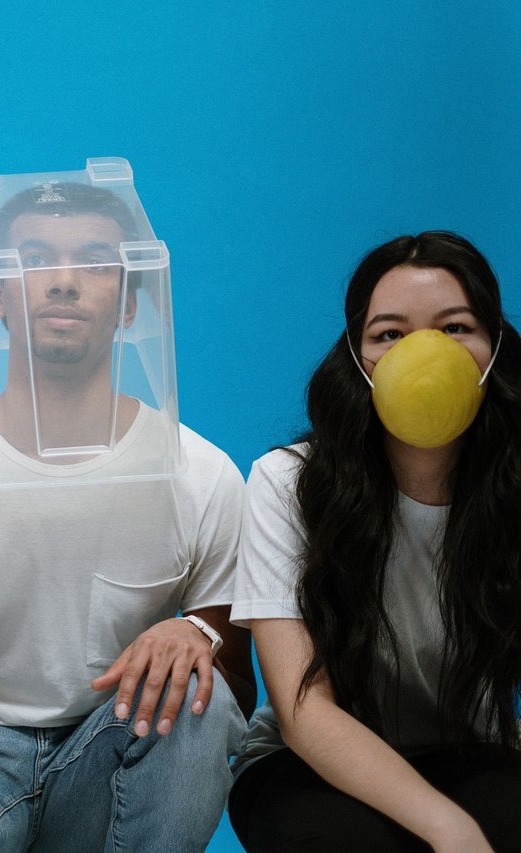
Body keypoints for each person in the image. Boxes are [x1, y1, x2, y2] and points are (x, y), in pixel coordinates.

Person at [0, 178, 255, 852]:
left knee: (200, 697)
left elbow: (236, 684)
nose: (63, 282)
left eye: (95, 262)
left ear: (129, 303)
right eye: (34, 260)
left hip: (118, 736)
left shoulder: (204, 473)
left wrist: (196, 637)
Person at [228, 231, 521, 851]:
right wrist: (451, 830)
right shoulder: (286, 482)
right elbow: (304, 711)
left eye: (455, 328)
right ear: (356, 358)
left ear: (494, 348)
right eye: (390, 334)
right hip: (306, 762)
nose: (424, 354)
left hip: (474, 749)